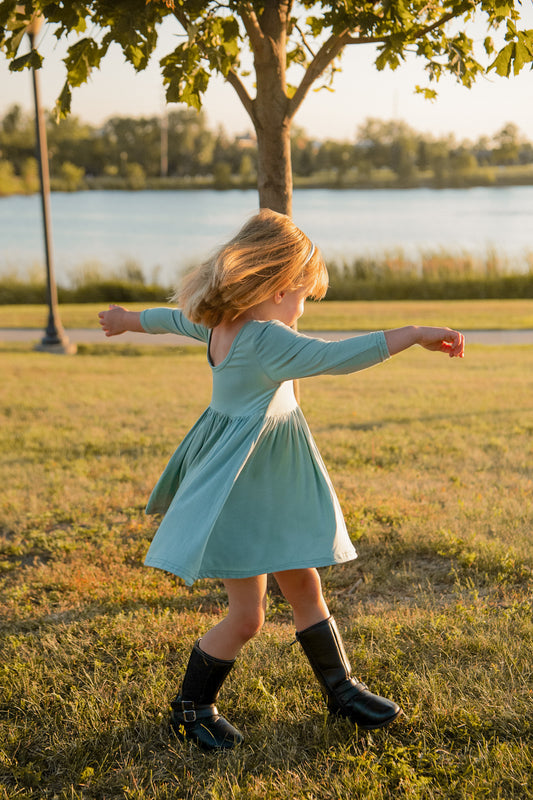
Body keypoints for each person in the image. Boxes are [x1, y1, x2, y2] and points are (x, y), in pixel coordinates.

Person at [98, 208, 465, 752]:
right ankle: (190, 708)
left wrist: (128, 319)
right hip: (239, 491)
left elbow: (167, 318)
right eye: (301, 296)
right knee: (247, 616)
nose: (302, 309)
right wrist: (413, 333)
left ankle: (341, 691)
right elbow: (335, 357)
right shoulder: (265, 338)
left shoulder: (220, 320)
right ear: (275, 287)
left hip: (263, 485)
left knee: (305, 587)